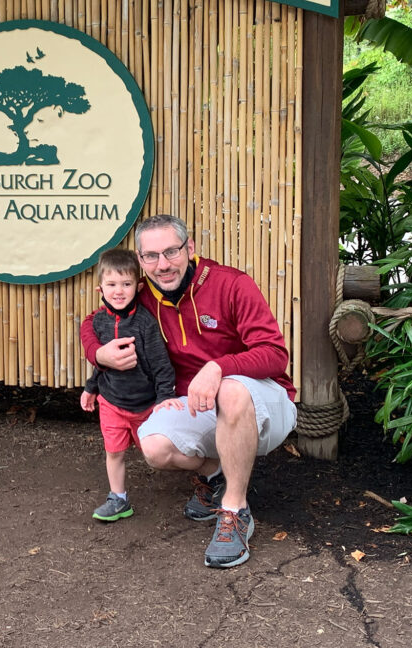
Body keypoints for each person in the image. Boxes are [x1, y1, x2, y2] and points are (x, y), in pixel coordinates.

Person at [80, 214, 297, 568]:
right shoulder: (143, 292)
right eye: (151, 256)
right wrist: (98, 353)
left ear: (190, 248)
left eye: (171, 252)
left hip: (264, 403)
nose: (162, 265)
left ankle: (235, 510)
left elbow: (275, 354)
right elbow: (94, 320)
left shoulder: (232, 284)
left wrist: (219, 367)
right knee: (154, 447)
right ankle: (216, 478)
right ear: (139, 260)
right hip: (197, 405)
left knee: (230, 390)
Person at [80, 248, 175, 522]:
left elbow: (161, 366)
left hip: (145, 405)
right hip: (111, 402)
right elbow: (101, 363)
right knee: (114, 452)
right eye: (111, 284)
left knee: (156, 454)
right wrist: (90, 388)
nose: (118, 291)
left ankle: (204, 479)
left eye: (126, 284)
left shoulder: (145, 323)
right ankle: (118, 498)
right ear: (100, 288)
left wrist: (163, 399)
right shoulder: (98, 321)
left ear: (139, 286)